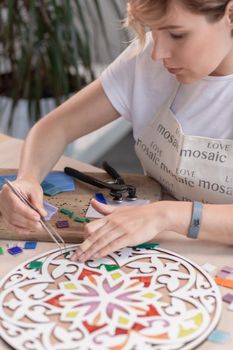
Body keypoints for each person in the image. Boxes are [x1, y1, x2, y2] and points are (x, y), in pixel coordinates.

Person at [0, 0, 233, 263]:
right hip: (160, 247)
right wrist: (28, 178)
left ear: (230, 15)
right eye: (153, 30)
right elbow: (56, 127)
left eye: (177, 34)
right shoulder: (146, 61)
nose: (158, 52)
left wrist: (165, 214)